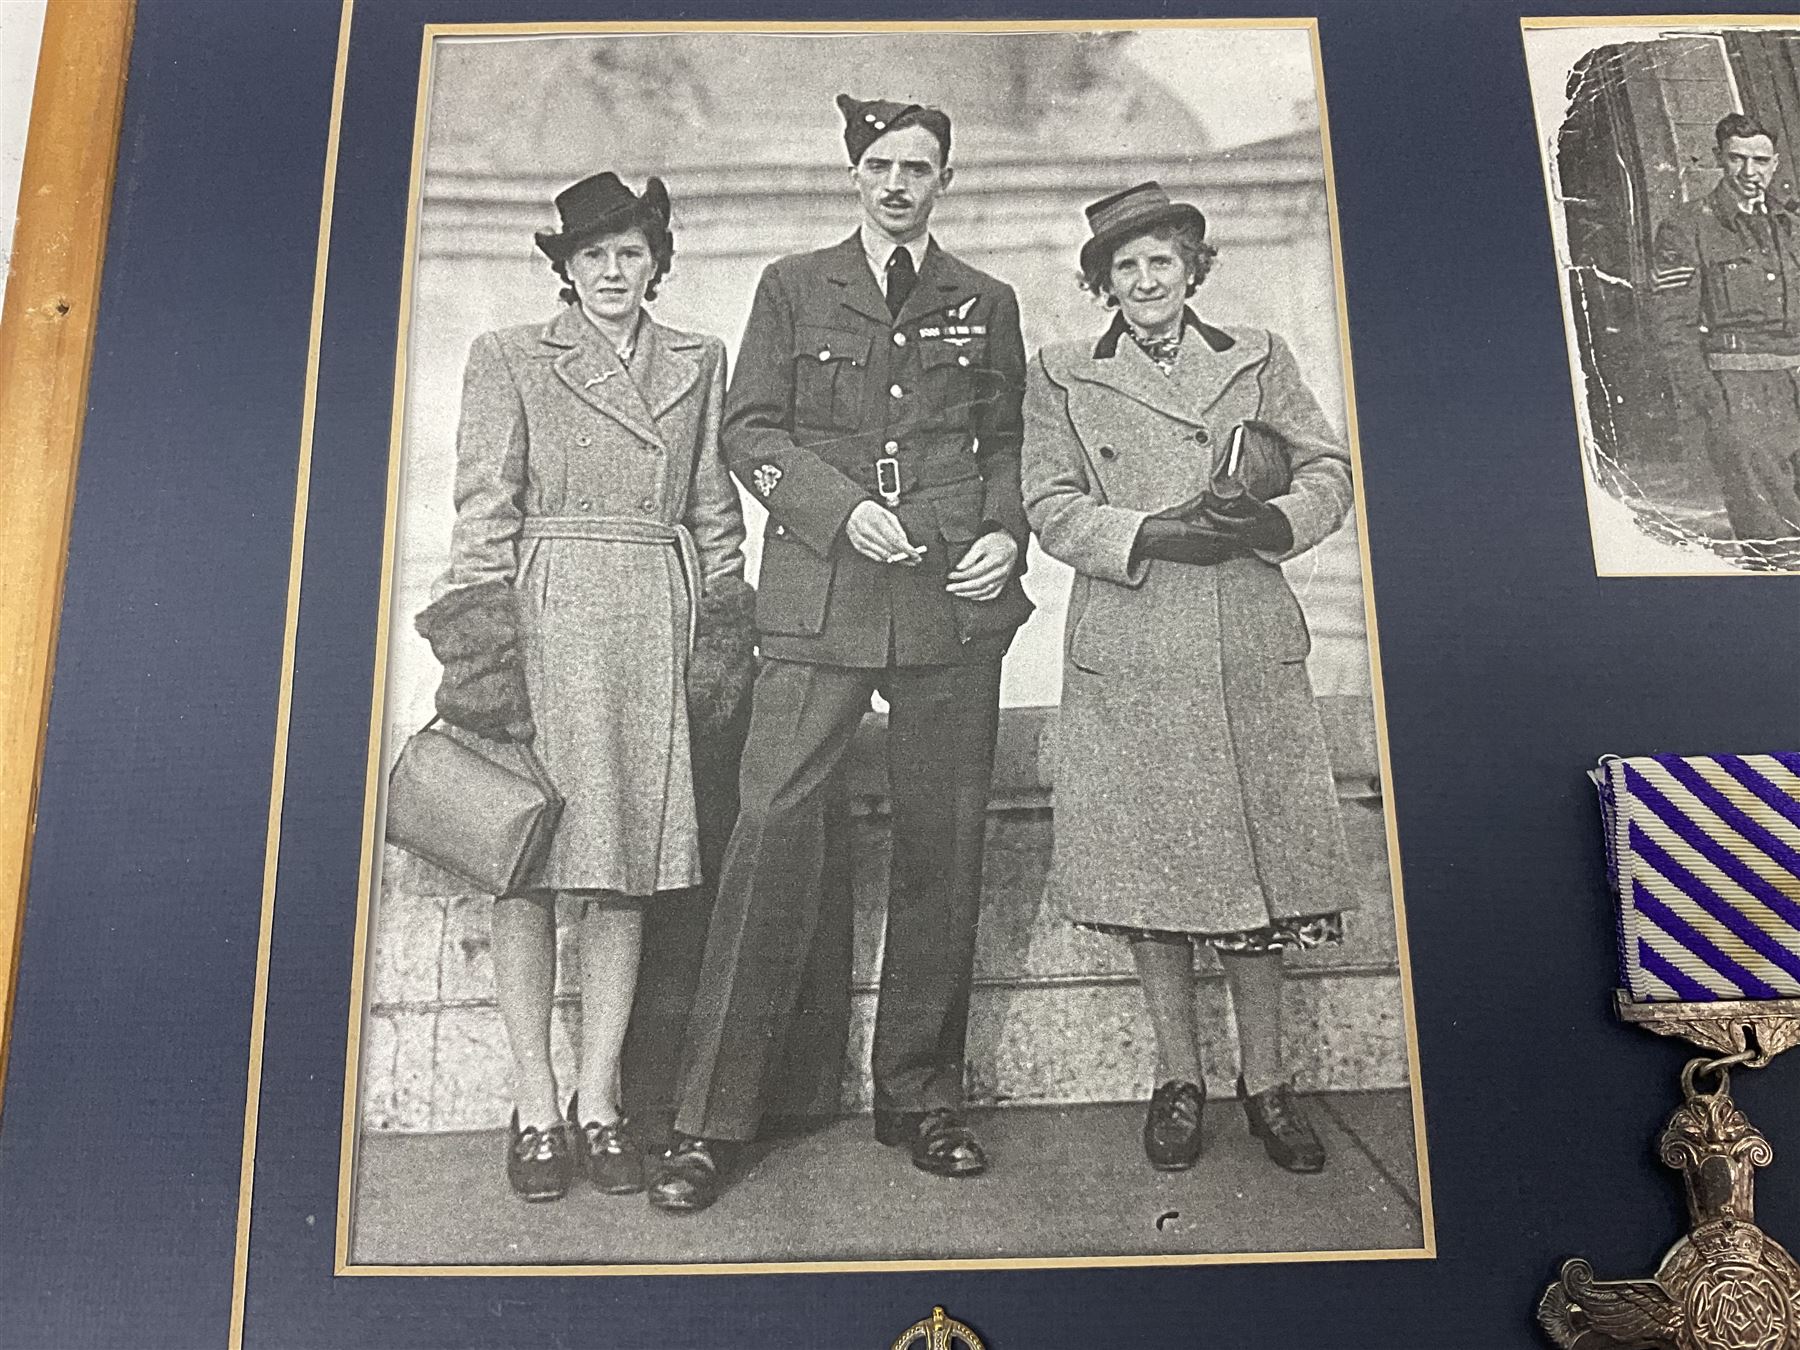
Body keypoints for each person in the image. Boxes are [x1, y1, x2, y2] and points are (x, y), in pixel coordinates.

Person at [647, 94, 1032, 1214]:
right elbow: (749, 431)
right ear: (855, 174)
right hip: (822, 594)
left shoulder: (985, 300)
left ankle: (921, 1097)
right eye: (881, 165)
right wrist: (836, 509)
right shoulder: (793, 284)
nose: (898, 183)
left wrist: (1004, 532)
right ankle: (712, 1120)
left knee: (943, 842)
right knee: (768, 827)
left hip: (949, 596)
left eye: (919, 166)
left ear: (945, 179)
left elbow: (1006, 441)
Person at [414, 172, 749, 1202]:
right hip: (546, 618)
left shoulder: (699, 359)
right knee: (525, 861)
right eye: (592, 255)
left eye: (630, 253)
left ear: (657, 263)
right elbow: (484, 509)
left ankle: (600, 1102)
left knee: (622, 870)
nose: (612, 271)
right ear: (565, 268)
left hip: (653, 621)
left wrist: (721, 626)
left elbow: (714, 510)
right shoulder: (510, 355)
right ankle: (536, 1105)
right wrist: (485, 652)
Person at [1020, 182, 1355, 1175]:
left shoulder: (1258, 356)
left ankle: (1269, 1084)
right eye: (1123, 267)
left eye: (1160, 261)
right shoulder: (1064, 374)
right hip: (1133, 646)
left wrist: (1274, 520)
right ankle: (1178, 1080)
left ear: (1192, 270)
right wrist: (1147, 532)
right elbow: (1047, 502)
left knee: (1263, 870)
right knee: (1149, 872)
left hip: (1244, 639)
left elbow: (1329, 469)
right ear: (1102, 284)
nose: (1144, 280)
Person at [1652, 112, 1800, 569]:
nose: (1749, 172)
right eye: (1737, 159)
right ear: (1719, 158)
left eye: (1761, 160)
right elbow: (1673, 329)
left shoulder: (1791, 223)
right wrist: (1714, 405)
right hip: (1742, 391)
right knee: (1775, 542)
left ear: (1775, 164)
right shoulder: (1687, 227)